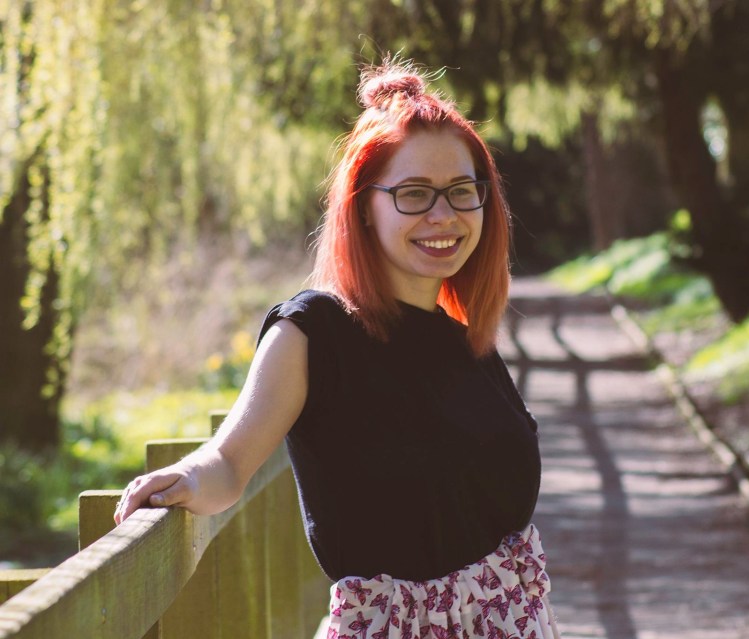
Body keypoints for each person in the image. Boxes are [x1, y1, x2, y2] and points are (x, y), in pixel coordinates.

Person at [114, 60, 561, 639]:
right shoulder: (313, 334)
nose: (443, 215)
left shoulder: (465, 339)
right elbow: (228, 462)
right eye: (414, 194)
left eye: (461, 191)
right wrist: (187, 479)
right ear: (363, 206)